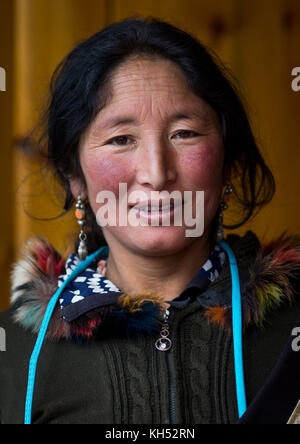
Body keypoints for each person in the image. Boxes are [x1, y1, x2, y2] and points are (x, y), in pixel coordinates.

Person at [0, 17, 299, 425]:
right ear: (74, 175)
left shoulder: (291, 329)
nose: (157, 174)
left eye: (185, 133)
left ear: (228, 161)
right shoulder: (14, 354)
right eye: (121, 139)